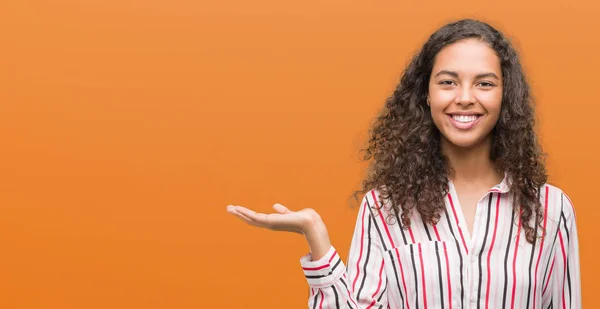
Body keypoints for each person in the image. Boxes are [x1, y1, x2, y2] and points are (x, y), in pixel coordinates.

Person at [226, 19, 581, 309]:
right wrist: (315, 237)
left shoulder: (551, 210)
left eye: (485, 83)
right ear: (426, 95)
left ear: (506, 97)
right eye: (448, 82)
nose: (465, 98)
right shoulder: (385, 207)